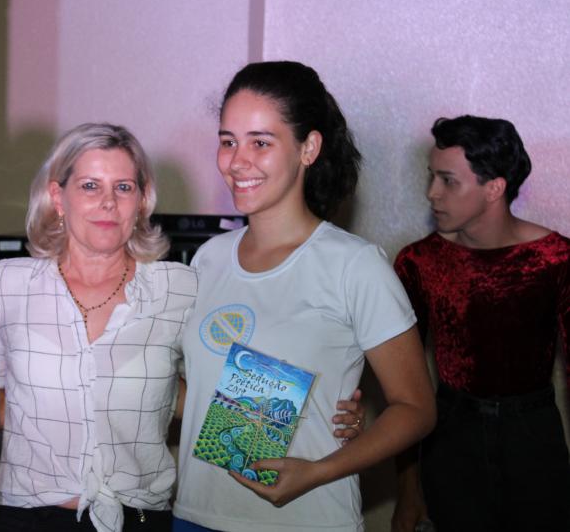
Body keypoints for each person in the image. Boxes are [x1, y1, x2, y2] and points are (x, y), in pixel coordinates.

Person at [172, 61, 436, 532]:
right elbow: (198, 396)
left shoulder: (354, 265)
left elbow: (416, 409)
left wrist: (320, 470)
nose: (237, 160)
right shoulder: (208, 258)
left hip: (305, 518)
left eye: (260, 142)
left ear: (308, 148)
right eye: (228, 140)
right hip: (196, 515)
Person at [0, 123, 196, 532]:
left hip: (138, 518)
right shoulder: (9, 284)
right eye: (89, 186)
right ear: (57, 197)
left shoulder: (180, 288)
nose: (108, 203)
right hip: (27, 517)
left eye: (123, 187)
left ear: (142, 200)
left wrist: (325, 415)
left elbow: (215, 390)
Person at [391, 115, 570, 532]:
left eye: (448, 181)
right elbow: (403, 385)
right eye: (431, 177)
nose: (431, 193)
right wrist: (408, 490)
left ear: (494, 188)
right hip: (451, 435)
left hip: (533, 437)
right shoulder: (419, 262)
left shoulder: (555, 259)